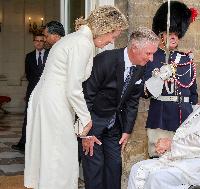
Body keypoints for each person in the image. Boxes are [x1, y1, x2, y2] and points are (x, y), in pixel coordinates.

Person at [24, 6, 128, 189]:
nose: (111, 42)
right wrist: (87, 121)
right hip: (56, 102)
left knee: (54, 156)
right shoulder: (82, 43)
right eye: (113, 36)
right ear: (104, 29)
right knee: (60, 158)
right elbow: (73, 88)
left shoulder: (75, 38)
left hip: (50, 100)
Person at [128, 67, 200, 189]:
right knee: (137, 169)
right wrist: (170, 144)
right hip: (195, 157)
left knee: (159, 177)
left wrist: (172, 146)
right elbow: (189, 133)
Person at [81, 27, 159, 189]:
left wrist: (127, 130)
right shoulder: (105, 60)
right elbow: (86, 95)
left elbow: (132, 100)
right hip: (93, 124)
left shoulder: (140, 66)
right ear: (134, 48)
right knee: (95, 170)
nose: (151, 59)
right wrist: (86, 133)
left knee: (114, 167)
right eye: (148, 53)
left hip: (115, 126)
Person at [144, 1, 198, 158]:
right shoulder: (151, 57)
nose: (174, 37)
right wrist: (161, 75)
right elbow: (145, 92)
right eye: (170, 33)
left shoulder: (186, 59)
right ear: (161, 34)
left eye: (177, 33)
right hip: (161, 118)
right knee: (158, 160)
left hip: (185, 119)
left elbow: (192, 94)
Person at [11, 33, 49, 152]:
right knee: (28, 117)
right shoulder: (29, 56)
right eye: (36, 40)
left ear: (45, 42)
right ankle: (23, 143)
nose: (38, 42)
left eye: (41, 41)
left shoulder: (51, 54)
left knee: (46, 116)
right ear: (33, 42)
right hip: (32, 90)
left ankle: (44, 143)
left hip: (48, 91)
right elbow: (28, 74)